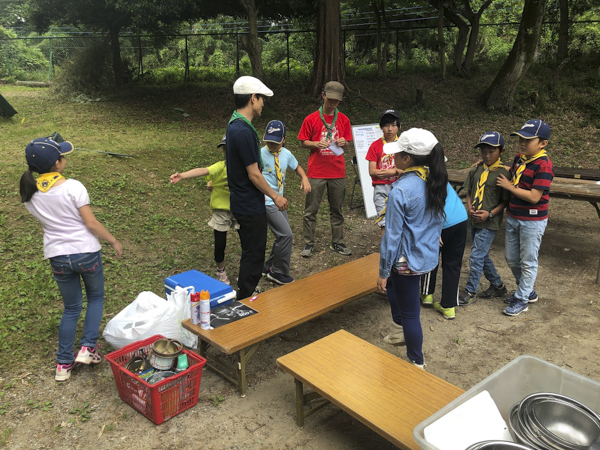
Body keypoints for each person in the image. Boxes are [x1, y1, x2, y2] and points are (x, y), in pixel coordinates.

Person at [19, 137, 123, 382]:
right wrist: (113, 241)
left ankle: (63, 364)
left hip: (57, 257)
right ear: (57, 163)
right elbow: (91, 223)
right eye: (63, 157)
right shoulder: (73, 186)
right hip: (86, 251)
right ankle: (88, 347)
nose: (65, 159)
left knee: (71, 308)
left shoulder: (30, 195)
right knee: (96, 297)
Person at [377, 128, 448, 368]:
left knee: (410, 313)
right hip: (425, 254)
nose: (393, 157)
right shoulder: (434, 179)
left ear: (406, 159)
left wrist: (383, 272)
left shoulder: (401, 191)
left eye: (397, 153)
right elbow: (437, 215)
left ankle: (416, 360)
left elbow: (392, 237)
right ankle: (400, 330)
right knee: (395, 293)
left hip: (405, 260)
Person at [226, 76, 288, 299]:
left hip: (242, 201)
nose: (263, 104)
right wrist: (275, 196)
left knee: (250, 251)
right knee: (254, 253)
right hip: (249, 205)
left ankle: (246, 289)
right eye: (261, 99)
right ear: (253, 98)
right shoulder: (243, 131)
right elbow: (254, 174)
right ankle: (246, 299)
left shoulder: (235, 125)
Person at [497, 120, 553, 316]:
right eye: (520, 138)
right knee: (511, 258)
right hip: (514, 215)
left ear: (542, 144)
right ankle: (527, 291)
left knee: (528, 261)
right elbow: (512, 175)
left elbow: (534, 197)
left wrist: (510, 188)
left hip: (532, 220)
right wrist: (491, 165)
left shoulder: (543, 165)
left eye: (528, 140)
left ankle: (521, 299)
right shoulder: (520, 159)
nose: (522, 143)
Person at [170, 135, 236, 285]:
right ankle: (221, 270)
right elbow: (203, 170)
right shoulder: (220, 167)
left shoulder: (246, 167)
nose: (227, 153)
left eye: (230, 149)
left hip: (240, 208)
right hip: (221, 210)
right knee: (220, 243)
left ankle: (247, 270)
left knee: (247, 242)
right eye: (225, 150)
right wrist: (182, 175)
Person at [298, 81, 353, 257]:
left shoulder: (343, 119)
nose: (333, 103)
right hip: (316, 172)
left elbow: (346, 142)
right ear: (323, 95)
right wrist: (315, 143)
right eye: (330, 99)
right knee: (311, 210)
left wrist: (344, 142)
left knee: (336, 210)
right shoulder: (311, 118)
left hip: (337, 171)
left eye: (336, 101)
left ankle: (338, 242)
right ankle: (308, 243)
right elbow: (303, 142)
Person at [458, 131, 510, 306]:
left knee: (476, 256)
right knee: (480, 254)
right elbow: (470, 192)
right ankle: (497, 285)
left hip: (490, 221)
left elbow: (505, 201)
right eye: (483, 152)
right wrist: (470, 206)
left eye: (491, 152)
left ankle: (470, 291)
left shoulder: (503, 174)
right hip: (474, 219)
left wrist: (490, 213)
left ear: (501, 151)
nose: (487, 155)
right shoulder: (476, 170)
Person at [260, 120, 311, 285]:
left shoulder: (286, 154)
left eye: (275, 142)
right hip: (267, 201)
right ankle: (278, 272)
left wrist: (304, 177)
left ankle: (268, 267)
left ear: (284, 140)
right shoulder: (259, 153)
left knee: (282, 235)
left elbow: (297, 167)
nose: (272, 145)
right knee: (286, 235)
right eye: (269, 141)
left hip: (279, 201)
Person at [420, 183, 468, 320]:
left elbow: (430, 205)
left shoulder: (421, 177)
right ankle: (448, 306)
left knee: (431, 256)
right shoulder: (440, 173)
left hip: (442, 222)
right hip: (460, 218)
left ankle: (427, 294)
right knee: (453, 263)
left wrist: (435, 228)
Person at [367, 109, 402, 236]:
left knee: (400, 221)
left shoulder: (403, 145)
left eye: (393, 125)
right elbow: (372, 171)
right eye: (386, 125)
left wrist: (392, 172)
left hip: (400, 187)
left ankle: (400, 253)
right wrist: (393, 172)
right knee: (384, 223)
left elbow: (407, 170)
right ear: (381, 127)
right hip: (381, 188)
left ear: (399, 126)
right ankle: (386, 253)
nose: (390, 129)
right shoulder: (375, 146)